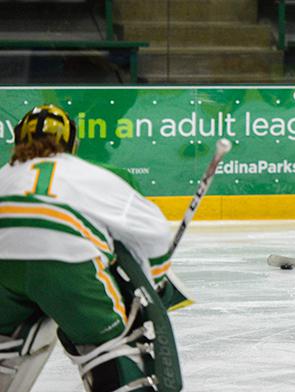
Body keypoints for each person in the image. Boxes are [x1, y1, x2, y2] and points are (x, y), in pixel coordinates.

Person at [0, 104, 180, 391]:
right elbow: (154, 229)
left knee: (4, 340)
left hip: (3, 270)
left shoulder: (4, 175)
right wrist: (154, 286)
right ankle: (114, 365)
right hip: (67, 266)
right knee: (110, 345)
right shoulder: (87, 174)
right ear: (72, 142)